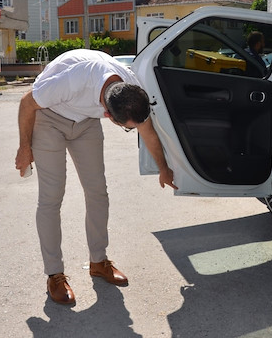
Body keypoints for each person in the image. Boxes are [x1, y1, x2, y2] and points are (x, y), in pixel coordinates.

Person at [14, 49, 177, 305]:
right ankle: (54, 274)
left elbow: (147, 130)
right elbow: (27, 102)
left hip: (86, 122)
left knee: (97, 192)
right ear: (110, 115)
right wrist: (25, 148)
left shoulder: (129, 89)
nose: (131, 129)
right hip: (48, 117)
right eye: (127, 128)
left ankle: (98, 261)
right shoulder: (73, 80)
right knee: (52, 196)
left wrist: (163, 168)